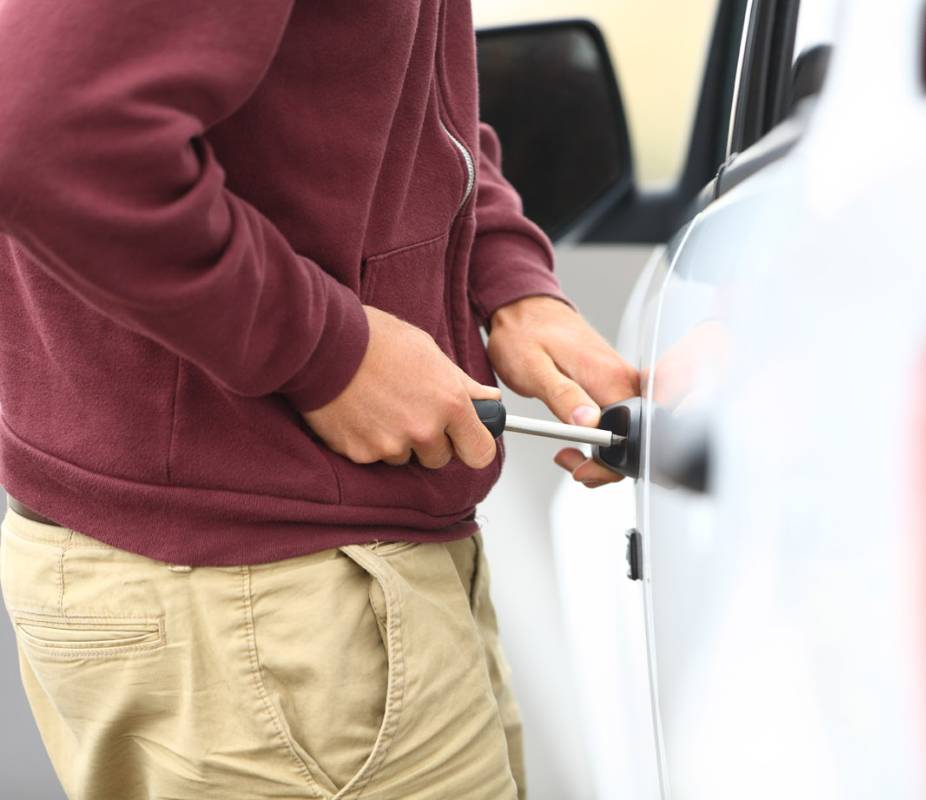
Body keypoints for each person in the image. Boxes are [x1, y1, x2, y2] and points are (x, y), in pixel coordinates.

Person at [0, 1, 637, 798]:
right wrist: (329, 353)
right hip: (274, 604)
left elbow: (399, 97)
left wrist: (505, 276)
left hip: (297, 593)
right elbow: (52, 132)